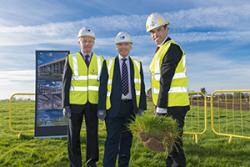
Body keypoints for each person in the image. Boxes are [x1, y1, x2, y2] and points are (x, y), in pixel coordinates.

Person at [146, 13, 190, 167]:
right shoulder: (161, 49)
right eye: (152, 32)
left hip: (174, 106)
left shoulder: (172, 49)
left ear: (166, 29)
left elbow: (166, 81)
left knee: (174, 146)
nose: (155, 35)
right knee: (169, 145)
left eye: (158, 30)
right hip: (167, 105)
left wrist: (161, 108)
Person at [97, 32, 147, 167]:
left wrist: (141, 107)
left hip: (130, 109)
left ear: (131, 46)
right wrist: (101, 108)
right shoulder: (107, 63)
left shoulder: (137, 64)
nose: (123, 47)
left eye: (126, 44)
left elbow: (141, 86)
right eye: (120, 44)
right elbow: (102, 87)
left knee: (126, 142)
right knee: (112, 141)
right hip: (112, 109)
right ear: (116, 46)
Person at [62, 27, 104, 167]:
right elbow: (65, 84)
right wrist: (65, 105)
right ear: (78, 42)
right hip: (75, 104)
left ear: (94, 42)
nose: (87, 44)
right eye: (84, 41)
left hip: (93, 104)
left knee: (93, 135)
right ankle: (75, 163)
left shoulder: (100, 60)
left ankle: (91, 162)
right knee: (74, 136)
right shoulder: (71, 59)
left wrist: (102, 106)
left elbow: (103, 85)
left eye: (90, 41)